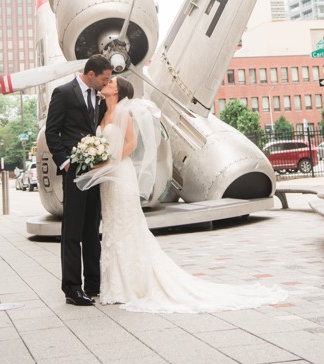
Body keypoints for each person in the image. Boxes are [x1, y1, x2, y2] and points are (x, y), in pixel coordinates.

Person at [75, 76, 287, 313]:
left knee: (127, 226)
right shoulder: (103, 114)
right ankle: (115, 285)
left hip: (121, 175)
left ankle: (134, 285)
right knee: (113, 226)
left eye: (111, 81)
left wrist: (109, 161)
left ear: (118, 90)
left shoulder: (124, 113)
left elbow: (131, 145)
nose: (107, 82)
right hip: (108, 181)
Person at [44, 54, 112, 306]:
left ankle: (93, 283)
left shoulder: (100, 97)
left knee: (92, 230)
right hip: (73, 173)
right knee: (72, 231)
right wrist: (65, 162)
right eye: (104, 78)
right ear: (91, 74)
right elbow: (52, 131)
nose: (107, 83)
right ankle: (72, 288)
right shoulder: (63, 93)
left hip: (95, 172)